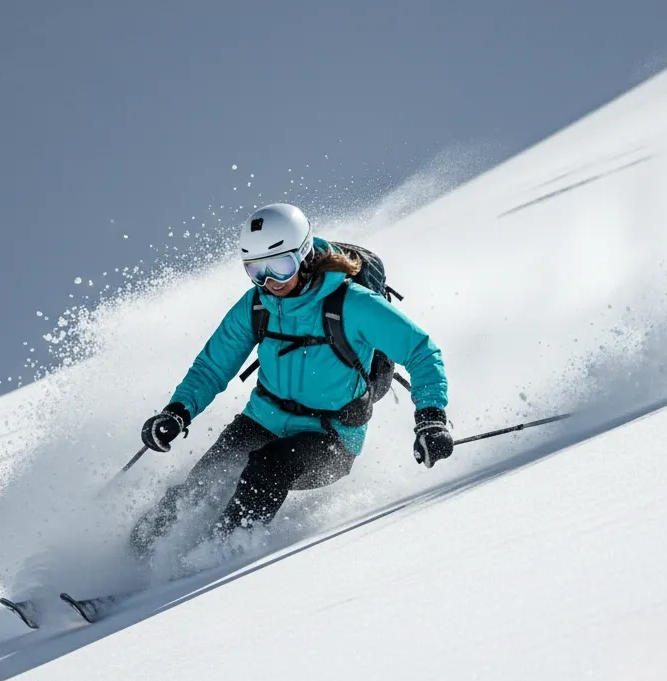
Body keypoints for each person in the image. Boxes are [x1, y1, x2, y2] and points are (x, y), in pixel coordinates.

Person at [130, 203, 452, 557]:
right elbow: (213, 366)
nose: (270, 282)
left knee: (267, 467)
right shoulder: (257, 305)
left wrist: (431, 419)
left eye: (280, 267)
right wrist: (178, 412)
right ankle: (137, 555)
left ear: (305, 255)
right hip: (262, 419)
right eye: (256, 270)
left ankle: (215, 556)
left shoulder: (353, 304)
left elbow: (421, 351)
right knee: (201, 483)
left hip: (331, 436)